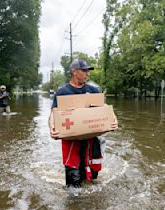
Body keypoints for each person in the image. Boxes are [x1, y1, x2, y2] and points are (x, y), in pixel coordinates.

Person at [48, 59, 118, 188]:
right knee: (73, 181)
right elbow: (53, 113)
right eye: (84, 70)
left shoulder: (93, 90)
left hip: (90, 139)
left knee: (93, 177)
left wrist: (113, 119)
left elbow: (104, 107)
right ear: (74, 71)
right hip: (71, 141)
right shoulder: (63, 92)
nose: (88, 74)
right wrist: (52, 128)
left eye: (88, 71)